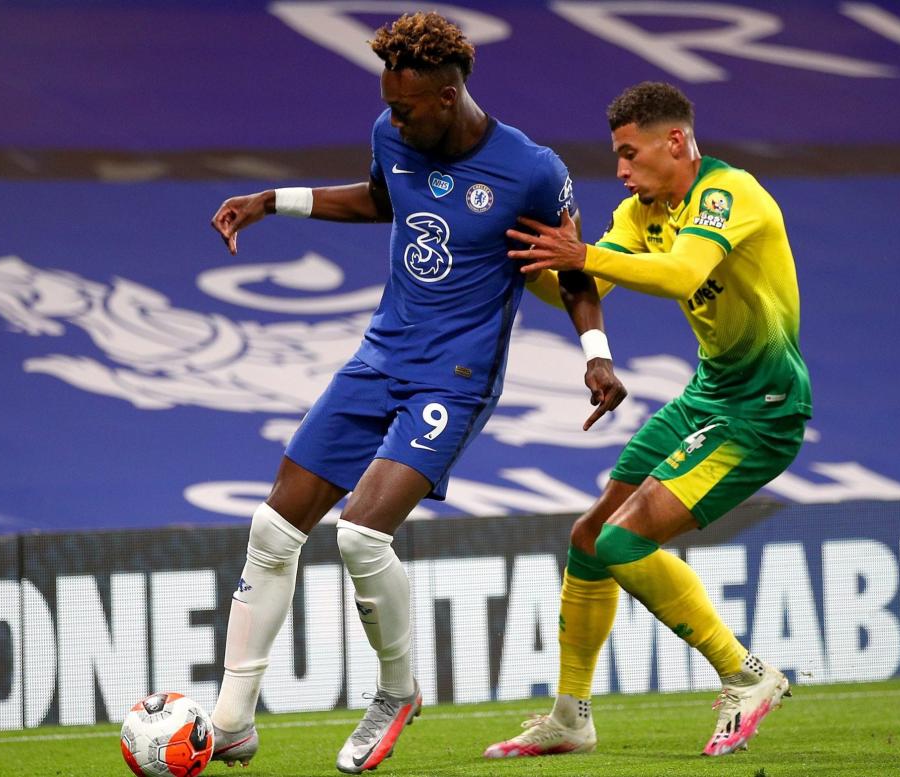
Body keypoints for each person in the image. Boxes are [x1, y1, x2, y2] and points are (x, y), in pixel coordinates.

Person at [207, 12, 625, 774]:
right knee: (273, 530)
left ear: (449, 94)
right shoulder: (393, 133)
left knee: (362, 535)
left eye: (405, 108)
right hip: (379, 356)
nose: (391, 119)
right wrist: (273, 200)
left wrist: (594, 354)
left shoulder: (530, 168)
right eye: (388, 106)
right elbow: (380, 198)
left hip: (455, 377)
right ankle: (232, 721)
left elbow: (571, 268)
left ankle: (396, 691)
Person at [484, 81, 811, 759]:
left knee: (622, 542)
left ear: (676, 141)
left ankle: (748, 675)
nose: (622, 169)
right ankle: (570, 717)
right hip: (709, 392)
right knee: (588, 536)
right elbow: (585, 283)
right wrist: (525, 258)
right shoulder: (641, 212)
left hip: (764, 408)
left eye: (630, 153)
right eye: (617, 156)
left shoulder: (729, 195)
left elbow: (682, 274)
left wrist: (582, 257)